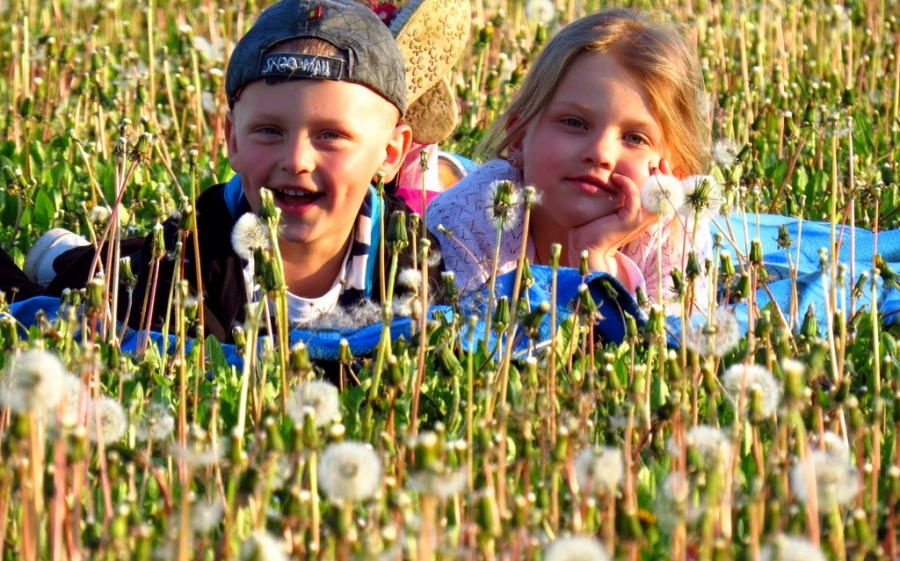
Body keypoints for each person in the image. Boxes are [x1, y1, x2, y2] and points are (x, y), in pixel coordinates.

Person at [4, 0, 445, 342]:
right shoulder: (188, 255)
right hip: (130, 282)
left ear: (389, 153)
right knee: (34, 310)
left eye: (330, 135)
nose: (296, 160)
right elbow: (168, 363)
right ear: (232, 140)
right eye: (269, 131)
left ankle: (72, 251)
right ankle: (70, 260)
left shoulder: (408, 254)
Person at [425, 8, 712, 312]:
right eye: (574, 123)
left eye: (634, 138)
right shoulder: (468, 219)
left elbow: (668, 345)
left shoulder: (678, 233)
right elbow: (476, 337)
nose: (600, 153)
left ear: (674, 177)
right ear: (520, 139)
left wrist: (595, 254)